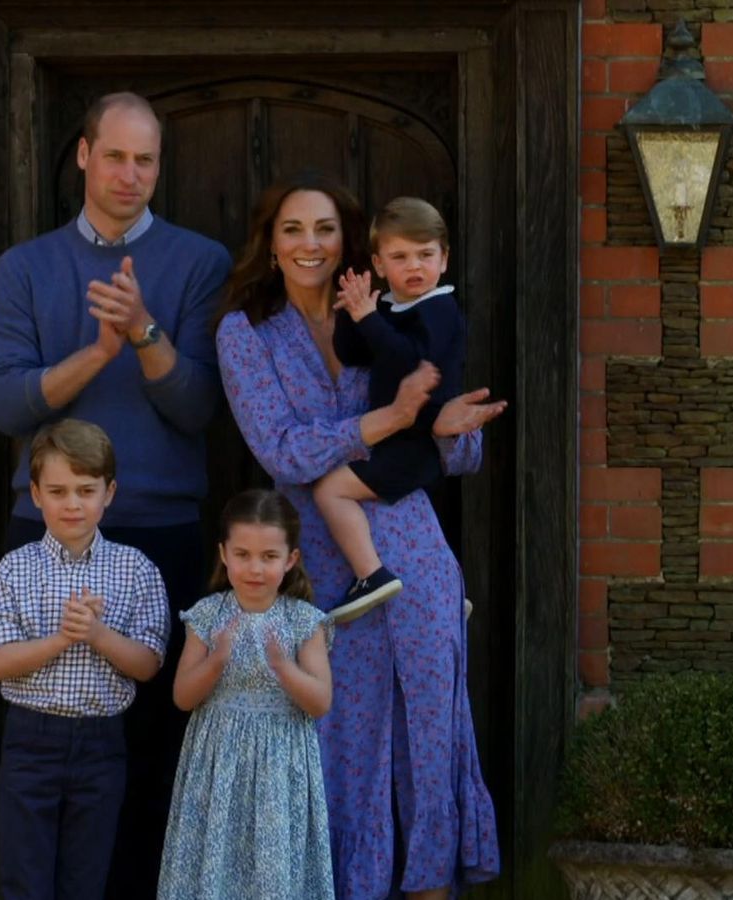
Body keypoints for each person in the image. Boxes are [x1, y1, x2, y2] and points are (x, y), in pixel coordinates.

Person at [214, 171, 506, 900]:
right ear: (270, 245)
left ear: (352, 245)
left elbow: (458, 447)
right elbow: (282, 452)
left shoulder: (397, 312)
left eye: (324, 230)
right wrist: (392, 419)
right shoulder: (246, 332)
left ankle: (432, 883)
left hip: (417, 558)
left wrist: (442, 426)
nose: (309, 244)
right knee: (338, 743)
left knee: (431, 738)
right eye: (292, 230)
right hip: (322, 568)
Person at [0, 91, 233, 897]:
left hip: (159, 530)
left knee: (154, 744)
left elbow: (199, 408)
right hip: (46, 528)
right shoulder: (25, 267)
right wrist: (97, 352)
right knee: (40, 739)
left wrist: (145, 333)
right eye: (116, 156)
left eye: (147, 160)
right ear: (84, 156)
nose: (131, 175)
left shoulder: (199, 263)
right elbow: (6, 405)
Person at [0, 419, 170, 900]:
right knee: (25, 880)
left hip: (101, 745)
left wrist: (98, 634)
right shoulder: (16, 568)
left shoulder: (136, 569)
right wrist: (62, 639)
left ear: (110, 492)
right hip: (30, 739)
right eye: (58, 491)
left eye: (86, 490)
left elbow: (148, 664)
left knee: (86, 879)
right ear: (36, 495)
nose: (73, 504)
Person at [158, 489, 336, 900]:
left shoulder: (304, 621)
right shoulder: (208, 615)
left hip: (280, 763)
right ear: (224, 553)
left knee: (273, 871)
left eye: (269, 557)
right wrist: (217, 660)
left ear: (290, 559)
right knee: (216, 862)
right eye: (243, 554)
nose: (255, 568)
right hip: (218, 763)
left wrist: (284, 669)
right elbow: (183, 697)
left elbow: (320, 701)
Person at [315, 197, 467, 623]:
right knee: (396, 519)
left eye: (425, 255)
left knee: (331, 489)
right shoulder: (392, 309)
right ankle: (440, 585)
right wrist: (352, 312)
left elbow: (408, 360)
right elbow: (354, 353)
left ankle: (371, 575)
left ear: (444, 259)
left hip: (416, 441)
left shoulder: (439, 308)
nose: (414, 266)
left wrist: (369, 317)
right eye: (400, 257)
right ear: (380, 265)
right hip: (397, 438)